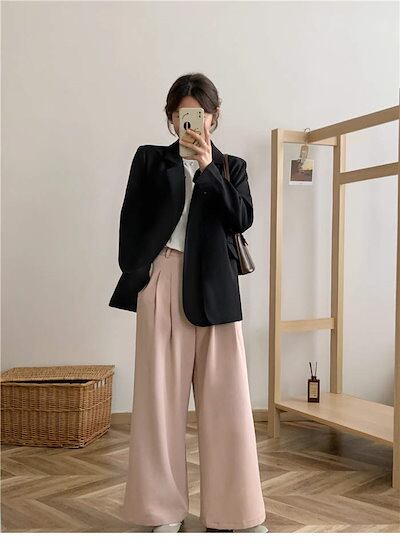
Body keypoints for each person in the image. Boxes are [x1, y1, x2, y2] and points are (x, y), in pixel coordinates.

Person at [109, 73, 268, 533]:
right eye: (182, 114)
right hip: (163, 280)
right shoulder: (150, 160)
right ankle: (162, 510)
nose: (192, 121)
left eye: (200, 113)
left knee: (228, 405)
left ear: (214, 117)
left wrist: (207, 168)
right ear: (171, 118)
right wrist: (142, 274)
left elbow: (241, 218)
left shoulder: (231, 166)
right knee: (157, 403)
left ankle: (233, 512)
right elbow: (131, 220)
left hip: (217, 289)